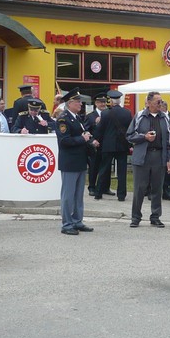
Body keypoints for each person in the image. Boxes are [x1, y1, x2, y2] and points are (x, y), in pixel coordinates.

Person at [126, 91, 170, 228]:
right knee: (139, 188)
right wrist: (144, 137)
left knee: (157, 188)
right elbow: (129, 136)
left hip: (159, 156)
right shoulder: (139, 116)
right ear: (148, 102)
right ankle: (135, 217)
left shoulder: (165, 118)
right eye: (157, 101)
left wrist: (169, 159)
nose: (160, 104)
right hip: (142, 155)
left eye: (161, 101)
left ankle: (155, 216)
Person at [55, 87, 97, 235]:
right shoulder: (63, 119)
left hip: (79, 161)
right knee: (68, 194)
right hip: (70, 162)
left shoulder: (77, 118)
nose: (80, 104)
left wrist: (89, 139)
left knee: (78, 194)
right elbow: (64, 141)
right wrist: (82, 138)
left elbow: (79, 136)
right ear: (70, 103)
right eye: (78, 102)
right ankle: (67, 224)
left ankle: (77, 221)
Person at [93, 90, 132, 202]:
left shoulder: (105, 113)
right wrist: (129, 144)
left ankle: (98, 192)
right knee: (122, 171)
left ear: (110, 100)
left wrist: (97, 139)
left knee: (104, 169)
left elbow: (100, 130)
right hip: (122, 145)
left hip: (108, 145)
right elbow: (129, 130)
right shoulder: (127, 112)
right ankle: (121, 195)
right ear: (119, 100)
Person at [84, 93, 112, 197]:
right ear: (96, 103)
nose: (103, 104)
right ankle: (92, 187)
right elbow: (86, 130)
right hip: (95, 146)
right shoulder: (90, 116)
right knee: (94, 167)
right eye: (100, 102)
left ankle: (105, 187)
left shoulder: (109, 114)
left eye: (104, 102)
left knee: (107, 167)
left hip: (107, 145)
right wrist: (92, 141)